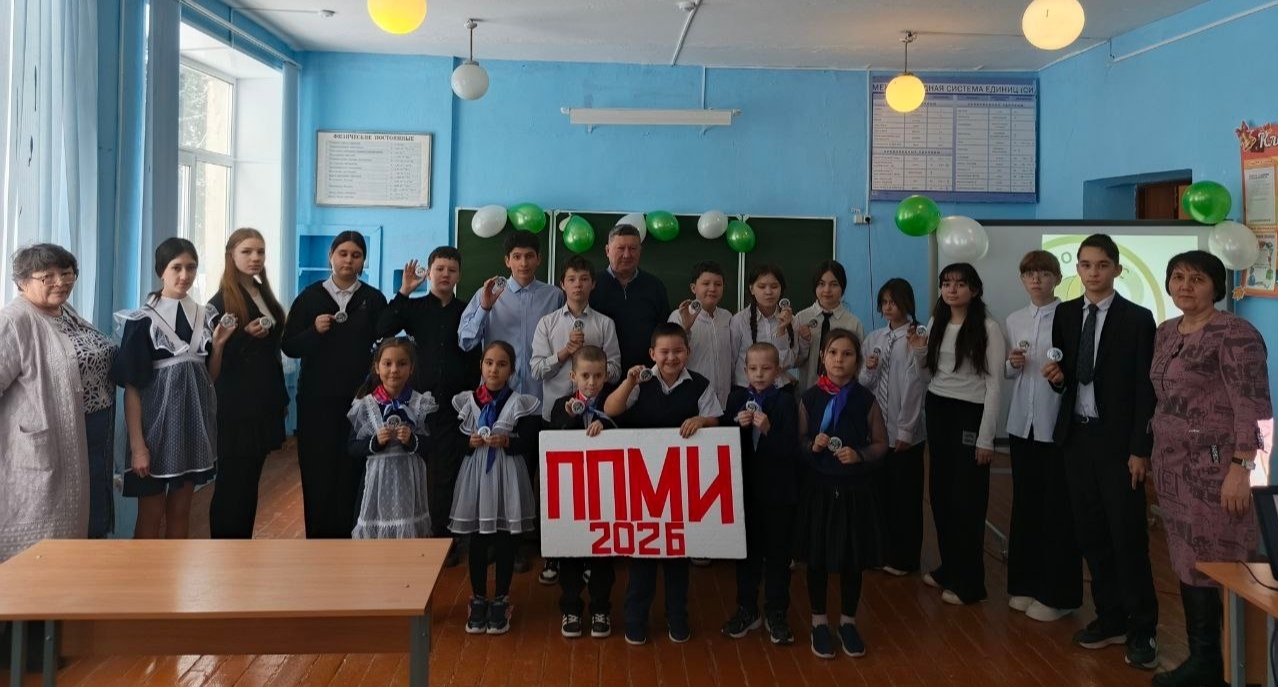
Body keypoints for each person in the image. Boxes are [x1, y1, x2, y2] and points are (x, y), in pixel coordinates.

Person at [1148, 251, 1271, 687]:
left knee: (1219, 559)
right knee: (1187, 559)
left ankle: (1236, 664)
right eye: (1178, 277)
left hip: (1217, 470)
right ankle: (1205, 659)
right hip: (1172, 468)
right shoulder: (1167, 331)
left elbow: (1255, 410)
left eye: (1197, 279)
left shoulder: (1235, 334)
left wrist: (1243, 468)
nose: (1185, 286)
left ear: (1216, 287)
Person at [1043, 233, 1159, 670]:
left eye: (1102, 265)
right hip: (1077, 438)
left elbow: (1145, 390)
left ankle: (1143, 628)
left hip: (1119, 446)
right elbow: (1067, 374)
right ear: (1077, 269)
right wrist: (1057, 379)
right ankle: (1110, 618)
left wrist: (1139, 449)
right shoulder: (1066, 313)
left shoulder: (1138, 319)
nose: (1093, 273)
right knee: (1091, 534)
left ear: (1117, 269)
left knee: (1127, 536)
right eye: (1086, 265)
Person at [604, 322, 723, 646]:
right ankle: (635, 618)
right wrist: (629, 382)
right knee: (642, 556)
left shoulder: (700, 384)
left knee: (678, 557)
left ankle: (677, 617)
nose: (671, 357)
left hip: (681, 486)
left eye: (678, 351)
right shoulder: (641, 381)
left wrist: (701, 420)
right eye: (664, 352)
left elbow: (715, 419)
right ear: (652, 354)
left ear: (688, 352)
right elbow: (611, 409)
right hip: (642, 483)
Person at [112, 238, 232, 539]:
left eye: (191, 268)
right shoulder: (142, 321)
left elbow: (208, 378)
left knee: (181, 511)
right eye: (176, 267)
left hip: (192, 429)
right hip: (154, 431)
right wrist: (138, 447)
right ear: (161, 271)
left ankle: (175, 569)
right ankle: (145, 570)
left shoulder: (205, 316)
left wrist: (218, 345)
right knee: (151, 514)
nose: (184, 275)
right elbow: (132, 389)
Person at [458, 231, 563, 575]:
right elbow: (465, 341)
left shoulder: (554, 295)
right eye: (516, 256)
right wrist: (485, 307)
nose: (523, 262)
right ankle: (489, 541)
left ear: (539, 259)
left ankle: (518, 545)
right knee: (491, 473)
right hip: (493, 401)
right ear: (507, 260)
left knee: (527, 471)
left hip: (536, 399)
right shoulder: (488, 294)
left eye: (529, 256)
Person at [283, 231, 388, 539]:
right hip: (317, 399)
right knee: (318, 467)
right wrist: (313, 331)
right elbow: (289, 345)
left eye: (356, 255)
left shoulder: (373, 299)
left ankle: (352, 536)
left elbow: (384, 343)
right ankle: (319, 538)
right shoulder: (310, 297)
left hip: (360, 400)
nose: (348, 260)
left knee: (353, 467)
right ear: (330, 256)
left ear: (364, 260)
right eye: (343, 253)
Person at [911, 262, 1005, 606]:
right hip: (939, 408)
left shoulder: (988, 328)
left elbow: (995, 385)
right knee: (941, 493)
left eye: (960, 284)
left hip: (970, 413)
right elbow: (929, 374)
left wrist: (986, 437)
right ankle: (949, 567)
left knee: (967, 498)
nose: (952, 289)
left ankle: (970, 582)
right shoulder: (936, 321)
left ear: (974, 290)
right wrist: (919, 351)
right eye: (946, 283)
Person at [377, 246, 476, 564]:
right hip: (418, 405)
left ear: (459, 275)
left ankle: (444, 539)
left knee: (446, 472)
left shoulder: (468, 311)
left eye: (452, 270)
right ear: (429, 273)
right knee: (417, 470)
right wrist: (404, 291)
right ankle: (411, 532)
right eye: (440, 269)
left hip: (455, 405)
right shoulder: (414, 307)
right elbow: (383, 328)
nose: (445, 274)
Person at [796, 329, 888, 658]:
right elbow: (798, 442)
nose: (839, 360)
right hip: (819, 490)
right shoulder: (810, 398)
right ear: (822, 357)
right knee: (817, 558)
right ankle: (819, 621)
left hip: (854, 491)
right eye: (833, 353)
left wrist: (859, 455)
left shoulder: (865, 399)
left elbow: (881, 444)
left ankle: (848, 621)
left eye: (847, 354)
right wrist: (812, 445)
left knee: (853, 559)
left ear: (857, 360)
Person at [530, 255, 620, 584]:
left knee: (593, 490)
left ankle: (589, 553)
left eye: (584, 279)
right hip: (557, 418)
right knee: (557, 490)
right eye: (571, 279)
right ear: (562, 284)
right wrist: (566, 353)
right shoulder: (548, 323)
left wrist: (591, 366)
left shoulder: (605, 324)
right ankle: (554, 554)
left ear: (593, 284)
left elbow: (615, 370)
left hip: (596, 420)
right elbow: (536, 370)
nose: (578, 285)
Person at [1002, 250, 1082, 622]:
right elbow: (1008, 372)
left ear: (1057, 278)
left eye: (1044, 273)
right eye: (1030, 274)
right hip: (1022, 424)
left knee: (1057, 511)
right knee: (1025, 506)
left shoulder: (1071, 316)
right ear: (1022, 279)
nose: (1036, 280)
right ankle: (1024, 584)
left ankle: (1057, 594)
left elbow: (1075, 370)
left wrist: (1061, 375)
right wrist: (1011, 364)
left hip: (1057, 427)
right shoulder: (1014, 319)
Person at [450, 341, 542, 636]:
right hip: (476, 475)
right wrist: (468, 442)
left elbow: (529, 441)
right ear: (481, 365)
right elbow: (452, 441)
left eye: (502, 364)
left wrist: (508, 441)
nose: (494, 369)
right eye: (489, 363)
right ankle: (477, 597)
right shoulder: (467, 401)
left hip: (507, 474)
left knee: (505, 538)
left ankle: (501, 597)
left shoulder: (520, 402)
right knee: (477, 539)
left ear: (511, 370)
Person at [207, 228, 289, 539]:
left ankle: (241, 545)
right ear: (231, 256)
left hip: (264, 401)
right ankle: (225, 547)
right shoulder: (220, 301)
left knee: (251, 479)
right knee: (232, 481)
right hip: (236, 406)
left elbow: (273, 350)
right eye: (247, 251)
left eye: (260, 251)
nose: (255, 258)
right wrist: (244, 337)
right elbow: (212, 359)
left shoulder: (262, 292)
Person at [719, 343, 801, 646]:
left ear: (777, 371)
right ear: (745, 370)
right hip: (745, 491)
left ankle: (776, 612)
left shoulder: (786, 402)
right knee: (746, 554)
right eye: (753, 369)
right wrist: (735, 425)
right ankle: (747, 608)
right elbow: (724, 444)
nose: (759, 374)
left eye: (766, 368)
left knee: (778, 555)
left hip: (778, 493)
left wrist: (769, 430)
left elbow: (791, 449)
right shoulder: (736, 399)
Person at [546, 345, 619, 640]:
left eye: (598, 376)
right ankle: (571, 607)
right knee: (570, 551)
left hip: (606, 494)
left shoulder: (614, 404)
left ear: (606, 375)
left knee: (603, 552)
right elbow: (551, 442)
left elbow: (629, 436)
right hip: (571, 495)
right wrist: (569, 419)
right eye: (585, 376)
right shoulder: (560, 405)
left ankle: (601, 607)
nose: (591, 382)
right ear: (573, 376)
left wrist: (607, 425)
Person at [858, 278, 927, 576]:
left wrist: (906, 430)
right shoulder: (874, 337)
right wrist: (869, 368)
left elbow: (917, 386)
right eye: (884, 302)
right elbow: (863, 384)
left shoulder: (918, 337)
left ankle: (904, 558)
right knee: (879, 493)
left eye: (894, 302)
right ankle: (879, 551)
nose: (888, 308)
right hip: (877, 430)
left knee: (905, 497)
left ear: (907, 304)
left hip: (904, 429)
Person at [347, 337, 437, 539]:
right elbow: (352, 446)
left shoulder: (421, 403)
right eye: (387, 363)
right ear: (377, 367)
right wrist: (374, 442)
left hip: (409, 484)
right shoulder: (366, 405)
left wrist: (412, 440)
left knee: (408, 535)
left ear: (411, 368)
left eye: (402, 363)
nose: (394, 370)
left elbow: (432, 444)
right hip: (376, 483)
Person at [591, 224, 671, 370]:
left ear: (640, 251)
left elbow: (664, 332)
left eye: (633, 248)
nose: (627, 255)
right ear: (607, 251)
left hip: (646, 374)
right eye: (621, 248)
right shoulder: (591, 285)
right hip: (600, 376)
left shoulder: (655, 286)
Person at [670, 261, 734, 408]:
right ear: (694, 288)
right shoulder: (678, 316)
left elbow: (733, 358)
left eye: (718, 284)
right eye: (706, 283)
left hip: (724, 401)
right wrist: (685, 328)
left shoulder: (728, 317)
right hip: (692, 400)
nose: (712, 289)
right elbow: (671, 355)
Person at [796, 260, 865, 390]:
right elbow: (796, 361)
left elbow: (859, 364)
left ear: (842, 288)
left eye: (834, 284)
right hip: (807, 389)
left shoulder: (853, 323)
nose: (827, 290)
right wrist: (805, 342)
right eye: (821, 284)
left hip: (842, 393)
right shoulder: (801, 318)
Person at [731, 264, 798, 390]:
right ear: (752, 289)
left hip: (780, 389)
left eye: (774, 286)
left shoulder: (792, 321)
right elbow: (731, 360)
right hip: (746, 389)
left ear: (781, 288)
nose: (768, 292)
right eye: (761, 287)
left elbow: (789, 362)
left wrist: (781, 331)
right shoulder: (739, 321)